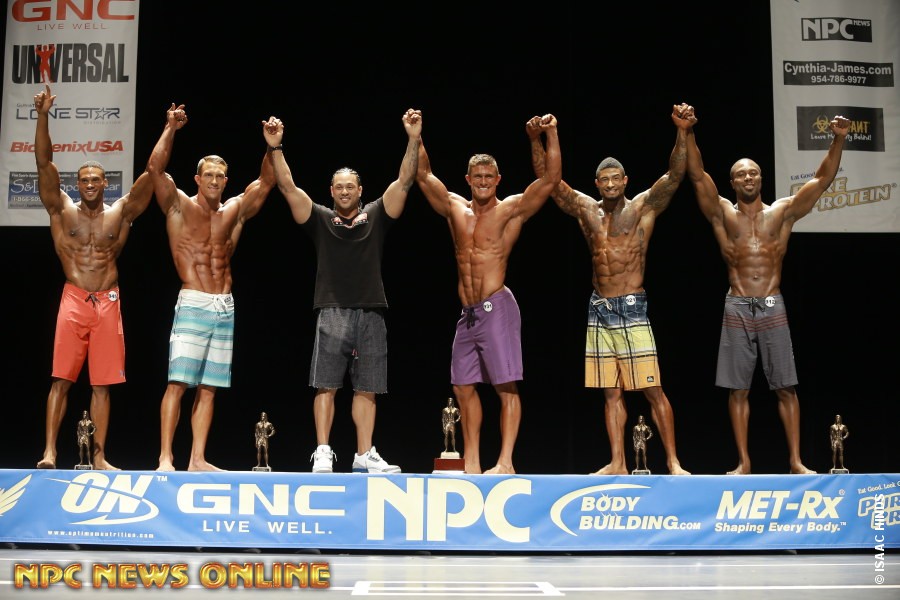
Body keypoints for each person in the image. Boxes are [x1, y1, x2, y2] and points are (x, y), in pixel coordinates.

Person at [528, 104, 693, 476]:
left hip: (631, 306)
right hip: (599, 308)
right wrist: (539, 139)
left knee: (653, 388)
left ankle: (673, 462)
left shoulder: (642, 208)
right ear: (597, 183)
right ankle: (618, 462)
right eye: (605, 180)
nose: (611, 185)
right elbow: (549, 182)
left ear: (626, 180)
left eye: (616, 179)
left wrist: (682, 132)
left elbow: (675, 175)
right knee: (611, 391)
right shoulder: (586, 210)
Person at [686, 109, 850, 474]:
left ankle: (795, 461)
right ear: (732, 182)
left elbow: (822, 180)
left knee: (786, 386)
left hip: (773, 304)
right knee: (738, 389)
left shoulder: (783, 212)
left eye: (753, 173)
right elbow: (696, 175)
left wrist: (838, 139)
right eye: (741, 174)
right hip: (737, 304)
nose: (748, 177)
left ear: (761, 178)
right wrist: (688, 132)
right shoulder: (722, 214)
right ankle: (743, 463)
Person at [261, 109, 422, 474]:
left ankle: (364, 454)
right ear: (331, 191)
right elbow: (287, 187)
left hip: (371, 310)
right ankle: (323, 450)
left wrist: (413, 139)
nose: (345, 191)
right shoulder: (320, 218)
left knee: (368, 387)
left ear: (360, 191)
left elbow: (405, 181)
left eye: (351, 186)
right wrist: (276, 147)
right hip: (332, 309)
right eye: (339, 187)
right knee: (326, 385)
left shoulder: (377, 215)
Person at [416, 113, 561, 475]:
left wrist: (549, 134)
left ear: (498, 180)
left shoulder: (510, 210)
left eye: (488, 177)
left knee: (505, 386)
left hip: (497, 306)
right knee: (462, 386)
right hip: (467, 314)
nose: (482, 182)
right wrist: (415, 136)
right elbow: (423, 175)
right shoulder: (454, 208)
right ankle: (472, 462)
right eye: (477, 177)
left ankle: (506, 462)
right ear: (468, 180)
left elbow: (550, 179)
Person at [33, 83, 155, 470]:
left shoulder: (120, 213)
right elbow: (43, 164)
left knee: (102, 384)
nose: (89, 184)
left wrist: (169, 129)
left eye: (95, 180)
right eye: (84, 179)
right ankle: (50, 452)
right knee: (62, 379)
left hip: (108, 302)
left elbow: (152, 174)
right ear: (77, 184)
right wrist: (42, 115)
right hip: (73, 299)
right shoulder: (61, 209)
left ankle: (99, 459)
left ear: (105, 184)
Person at [149, 103, 275, 472]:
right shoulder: (178, 206)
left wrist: (272, 146)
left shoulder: (235, 210)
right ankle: (166, 457)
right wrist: (171, 128)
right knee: (178, 383)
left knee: (209, 387)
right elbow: (155, 169)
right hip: (193, 301)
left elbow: (266, 182)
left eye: (221, 176)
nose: (215, 181)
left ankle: (197, 459)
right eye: (209, 175)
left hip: (224, 305)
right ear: (197, 178)